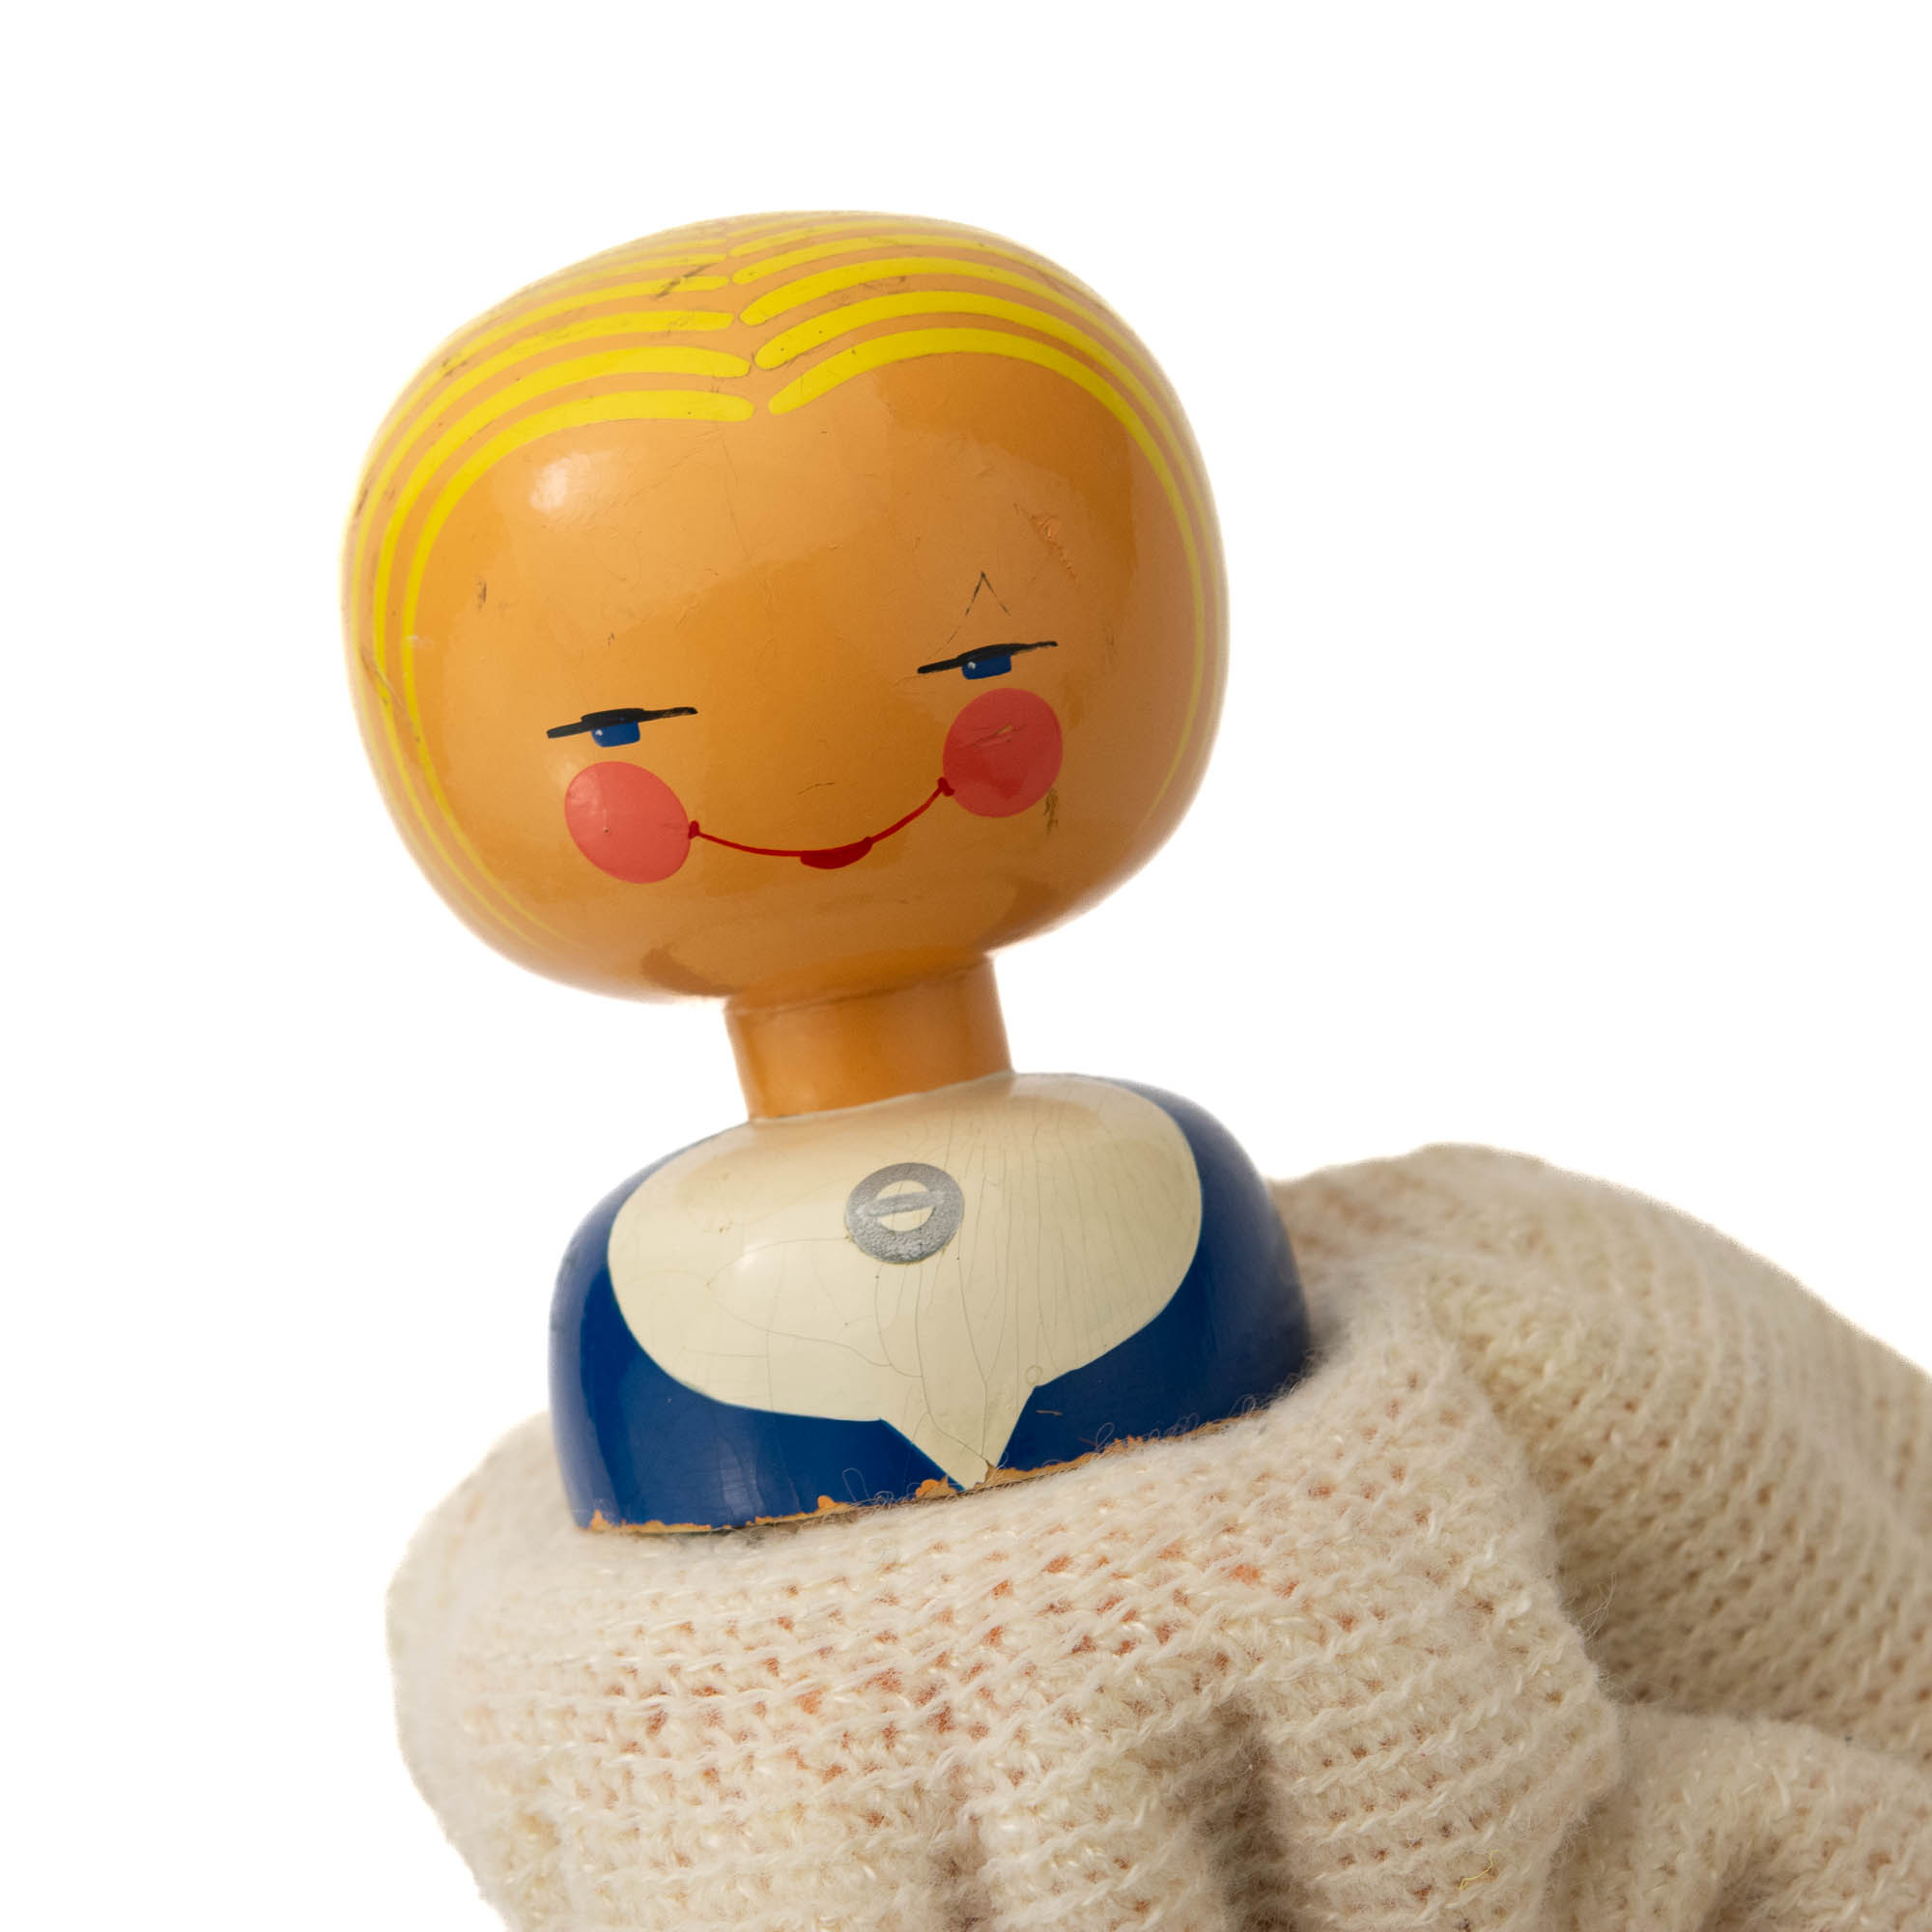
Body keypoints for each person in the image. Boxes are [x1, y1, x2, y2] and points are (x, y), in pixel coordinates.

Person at [342, 212, 1307, 1531]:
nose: (819, 774)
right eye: (619, 734)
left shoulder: (1177, 1189)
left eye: (981, 667)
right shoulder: (640, 1287)